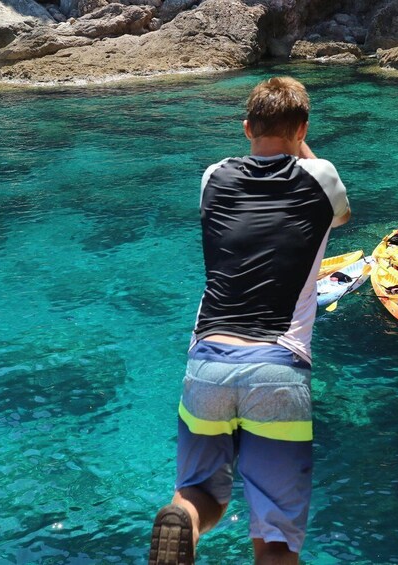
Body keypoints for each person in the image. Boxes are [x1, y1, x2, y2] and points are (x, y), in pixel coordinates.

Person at [149, 77, 351, 565]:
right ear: (302, 128)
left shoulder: (212, 177)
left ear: (245, 128)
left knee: (201, 496)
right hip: (277, 367)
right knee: (276, 541)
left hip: (207, 362)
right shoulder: (321, 178)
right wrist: (299, 140)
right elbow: (340, 216)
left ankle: (185, 521)